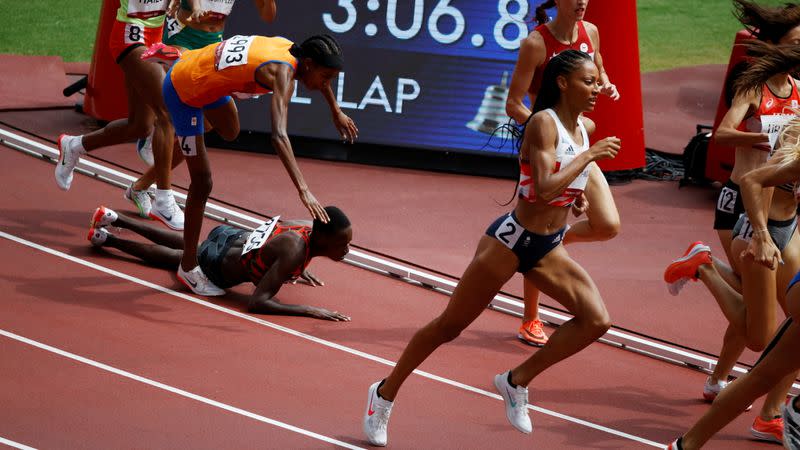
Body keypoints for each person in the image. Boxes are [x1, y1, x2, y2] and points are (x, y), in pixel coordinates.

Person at [361, 50, 620, 447]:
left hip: (548, 246)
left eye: (596, 82)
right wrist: (589, 157)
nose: (596, 88)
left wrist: (579, 196)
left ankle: (516, 381)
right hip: (512, 242)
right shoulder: (542, 124)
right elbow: (546, 185)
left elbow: (558, 189)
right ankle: (383, 394)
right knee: (448, 327)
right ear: (564, 83)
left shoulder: (583, 126)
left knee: (596, 320)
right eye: (588, 81)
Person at [664, 29, 800, 444]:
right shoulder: (753, 88)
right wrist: (761, 138)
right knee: (759, 334)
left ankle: (770, 413)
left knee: (788, 323)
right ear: (778, 44)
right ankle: (704, 266)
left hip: (786, 220)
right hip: (749, 208)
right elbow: (722, 136)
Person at [149, 34, 353, 296]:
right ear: (309, 64)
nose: (327, 84)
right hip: (184, 90)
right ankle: (188, 267)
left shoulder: (292, 49)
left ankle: (185, 112)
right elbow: (278, 136)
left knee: (231, 130)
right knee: (203, 182)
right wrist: (303, 189)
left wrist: (335, 109)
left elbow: (319, 79)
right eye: (326, 77)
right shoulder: (282, 73)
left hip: (208, 78)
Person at [505, 0, 620, 347]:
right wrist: (548, 130)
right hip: (548, 147)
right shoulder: (536, 44)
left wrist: (608, 83)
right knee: (539, 229)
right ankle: (530, 317)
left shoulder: (592, 33)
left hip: (580, 144)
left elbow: (597, 68)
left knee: (608, 225)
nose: (582, 1)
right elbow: (513, 103)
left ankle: (552, 244)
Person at [129, 0, 300, 224]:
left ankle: (141, 185)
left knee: (217, 127)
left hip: (212, 44)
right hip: (182, 38)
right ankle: (163, 197)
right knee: (172, 118)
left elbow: (268, 16)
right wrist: (196, 6)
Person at [87, 204, 353, 320]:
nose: (347, 250)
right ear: (323, 239)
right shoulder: (294, 252)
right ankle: (108, 239)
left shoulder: (306, 228)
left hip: (229, 235)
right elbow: (258, 302)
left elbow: (277, 246)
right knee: (178, 259)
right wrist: (308, 309)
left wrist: (296, 269)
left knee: (189, 246)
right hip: (219, 267)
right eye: (342, 244)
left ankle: (114, 217)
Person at [55, 0, 187, 230]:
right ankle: (163, 199)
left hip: (154, 35)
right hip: (130, 36)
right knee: (167, 112)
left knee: (140, 126)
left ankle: (74, 145)